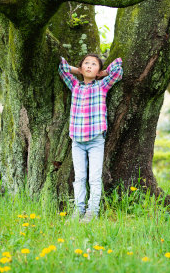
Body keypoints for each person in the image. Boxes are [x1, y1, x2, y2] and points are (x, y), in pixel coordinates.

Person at [59, 54, 123, 222]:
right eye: (86, 63)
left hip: (95, 140)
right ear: (81, 68)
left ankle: (92, 211)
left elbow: (118, 69)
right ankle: (78, 210)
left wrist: (103, 73)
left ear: (98, 70)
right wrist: (77, 70)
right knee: (79, 177)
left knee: (94, 178)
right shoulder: (75, 86)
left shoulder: (101, 86)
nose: (88, 66)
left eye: (93, 64)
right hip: (77, 141)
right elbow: (62, 68)